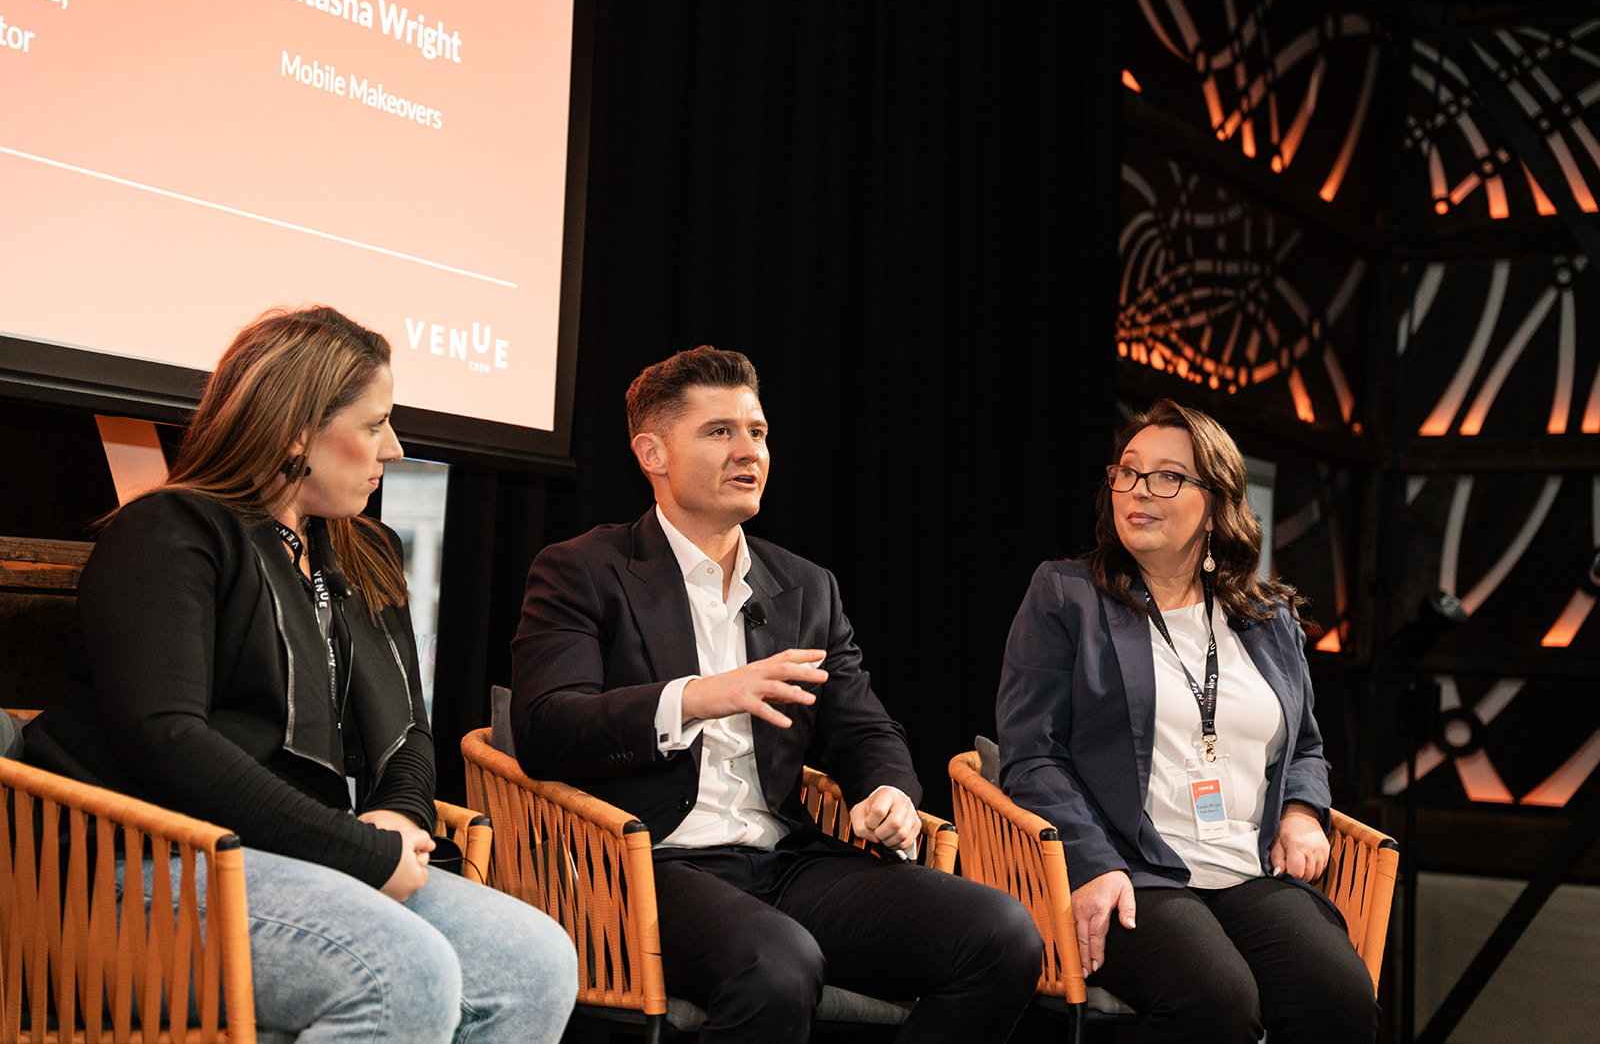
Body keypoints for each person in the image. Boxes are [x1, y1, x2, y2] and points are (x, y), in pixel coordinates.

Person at [25, 306, 577, 1043]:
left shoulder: (363, 551)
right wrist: (356, 849)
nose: (395, 446)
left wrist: (400, 817)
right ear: (294, 430)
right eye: (376, 422)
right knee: (402, 971)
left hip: (297, 854)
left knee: (536, 960)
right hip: (139, 864)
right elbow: (167, 738)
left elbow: (410, 730)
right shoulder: (170, 530)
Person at [511, 346, 1042, 1043]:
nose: (749, 451)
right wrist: (699, 696)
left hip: (785, 861)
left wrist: (887, 792)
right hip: (649, 862)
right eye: (719, 431)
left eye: (757, 431)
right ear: (653, 452)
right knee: (777, 963)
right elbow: (547, 728)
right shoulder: (585, 570)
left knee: (1002, 935)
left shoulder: (804, 587)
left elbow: (864, 728)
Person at [994, 399, 1377, 1043]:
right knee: (1217, 1004)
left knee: (1338, 1001)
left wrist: (1303, 811)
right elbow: (1032, 755)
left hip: (1249, 870)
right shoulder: (1069, 596)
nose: (1138, 491)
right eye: (1128, 472)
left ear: (1216, 502)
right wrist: (1091, 862)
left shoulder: (1267, 618)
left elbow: (1305, 746)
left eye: (1167, 476)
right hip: (1132, 868)